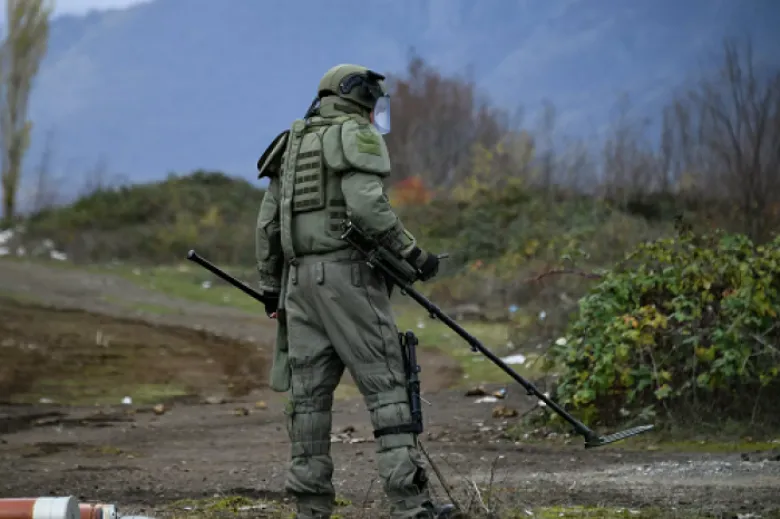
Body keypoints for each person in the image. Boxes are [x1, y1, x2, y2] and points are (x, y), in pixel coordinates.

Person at [254, 64, 455, 519]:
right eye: (373, 103)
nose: (374, 113)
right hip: (347, 278)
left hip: (297, 284)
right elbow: (367, 205)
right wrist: (413, 253)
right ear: (358, 97)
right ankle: (410, 505)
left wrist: (271, 288)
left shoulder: (291, 143)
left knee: (308, 401)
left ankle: (310, 508)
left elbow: (267, 225)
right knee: (387, 386)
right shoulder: (355, 133)